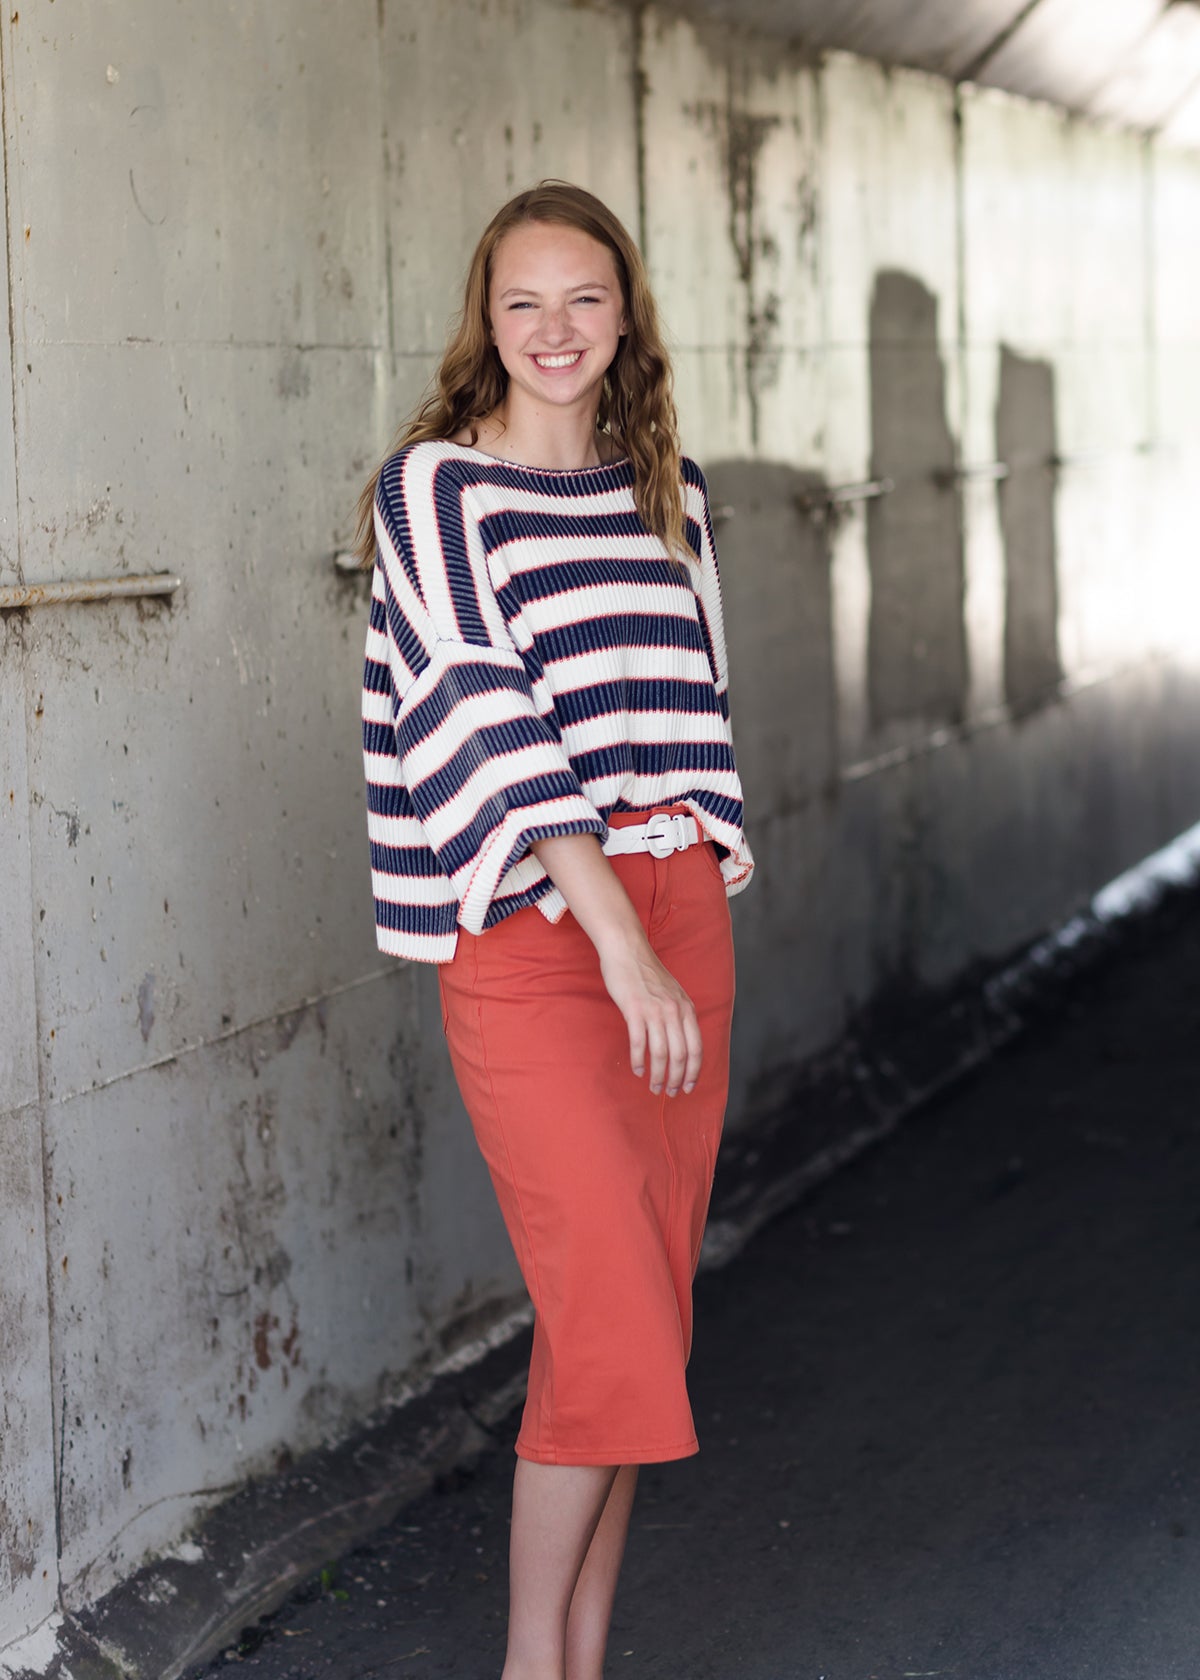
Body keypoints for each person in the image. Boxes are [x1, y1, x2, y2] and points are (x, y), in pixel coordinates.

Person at [355, 179, 754, 1680]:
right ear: (486, 320)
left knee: (640, 1312)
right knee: (611, 1313)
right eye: (522, 302)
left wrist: (673, 909)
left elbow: (697, 711)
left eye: (584, 298)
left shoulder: (675, 494)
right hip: (538, 933)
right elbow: (483, 710)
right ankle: (532, 1664)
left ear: (625, 313)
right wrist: (616, 936)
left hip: (675, 913)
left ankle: (585, 1657)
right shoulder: (435, 491)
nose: (554, 330)